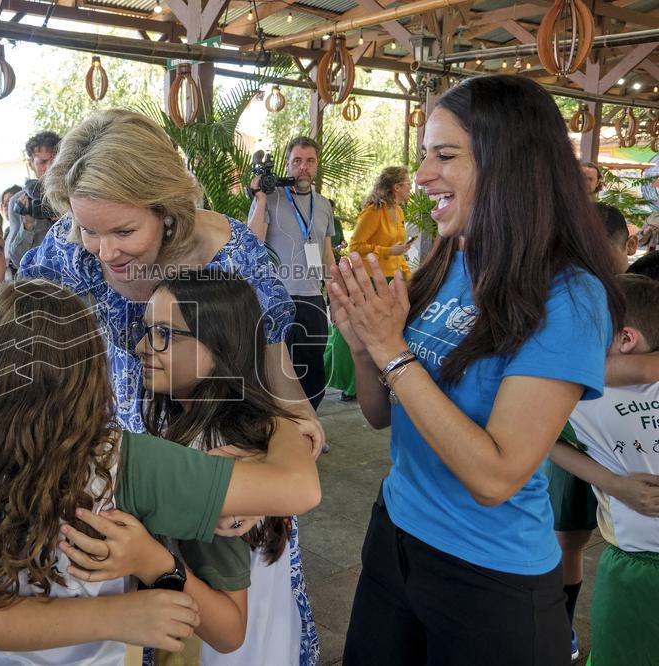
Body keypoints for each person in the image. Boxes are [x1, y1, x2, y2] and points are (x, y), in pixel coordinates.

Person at [0, 279, 321, 664]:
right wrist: (285, 422)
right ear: (91, 378)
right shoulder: (126, 461)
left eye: (164, 334)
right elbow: (299, 488)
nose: (145, 347)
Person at [329, 75, 622, 665]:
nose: (425, 174)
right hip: (396, 539)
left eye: (446, 155)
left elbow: (495, 478)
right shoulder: (449, 259)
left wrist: (392, 351)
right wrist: (363, 346)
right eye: (423, 157)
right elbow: (382, 414)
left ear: (510, 162)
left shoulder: (568, 297)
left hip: (490, 575)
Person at [17, 109, 324, 452]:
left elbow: (271, 353)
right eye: (89, 229)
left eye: (124, 231)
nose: (106, 252)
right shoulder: (65, 247)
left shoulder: (232, 256)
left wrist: (297, 414)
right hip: (99, 453)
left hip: (207, 451)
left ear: (165, 209)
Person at [65, 269, 318, 665]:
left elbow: (227, 627)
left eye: (164, 334)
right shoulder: (240, 427)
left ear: (220, 346)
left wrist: (149, 559)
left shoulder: (211, 450)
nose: (143, 347)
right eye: (146, 330)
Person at [548, 273, 659, 666]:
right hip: (630, 568)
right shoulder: (585, 396)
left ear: (626, 339)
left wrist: (612, 483)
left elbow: (539, 435)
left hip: (632, 570)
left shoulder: (583, 400)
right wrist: (612, 482)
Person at [541, 201, 635, 660]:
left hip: (624, 445)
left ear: (627, 247)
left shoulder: (634, 296)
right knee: (565, 538)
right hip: (566, 437)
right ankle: (561, 631)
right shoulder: (560, 297)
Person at [247, 136, 336, 411]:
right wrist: (260, 198)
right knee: (273, 371)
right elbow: (252, 241)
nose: (303, 168)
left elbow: (326, 253)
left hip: (311, 299)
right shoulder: (271, 198)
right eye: (297, 161)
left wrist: (334, 293)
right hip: (276, 299)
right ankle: (277, 429)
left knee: (312, 371)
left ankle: (307, 427)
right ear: (287, 165)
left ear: (317, 165)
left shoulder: (323, 205)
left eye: (309, 161)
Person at [323, 166, 413, 402]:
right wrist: (387, 251)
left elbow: (398, 253)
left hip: (394, 280)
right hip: (371, 279)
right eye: (407, 184)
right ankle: (350, 384)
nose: (411, 189)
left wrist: (407, 274)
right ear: (397, 187)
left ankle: (382, 381)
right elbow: (356, 246)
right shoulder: (373, 211)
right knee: (359, 335)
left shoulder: (400, 212)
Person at [7, 130, 62, 268]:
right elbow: (16, 259)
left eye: (54, 160)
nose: (49, 167)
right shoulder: (19, 201)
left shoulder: (75, 195)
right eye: (42, 162)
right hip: (36, 282)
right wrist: (28, 224)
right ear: (31, 163)